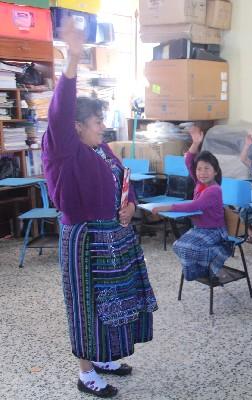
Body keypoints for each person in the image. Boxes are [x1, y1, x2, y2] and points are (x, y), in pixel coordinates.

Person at [42, 19, 157, 398]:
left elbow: (124, 180)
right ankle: (86, 372)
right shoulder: (64, 148)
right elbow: (59, 111)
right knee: (87, 304)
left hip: (113, 237)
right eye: (97, 122)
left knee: (113, 302)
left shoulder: (100, 149)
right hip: (85, 241)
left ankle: (104, 357)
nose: (103, 127)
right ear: (75, 126)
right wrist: (73, 59)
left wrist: (129, 205)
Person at [152, 128, 232, 281]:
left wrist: (167, 207)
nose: (202, 173)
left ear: (215, 171)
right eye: (199, 169)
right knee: (177, 246)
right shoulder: (199, 184)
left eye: (207, 169)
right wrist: (195, 144)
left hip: (214, 231)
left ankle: (219, 253)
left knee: (186, 249)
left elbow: (194, 206)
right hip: (200, 229)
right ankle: (206, 268)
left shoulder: (214, 189)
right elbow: (189, 160)